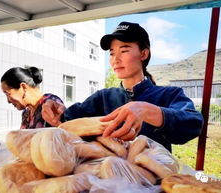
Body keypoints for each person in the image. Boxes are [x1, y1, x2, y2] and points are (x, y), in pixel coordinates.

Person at [42, 22, 203, 151]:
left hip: (153, 185)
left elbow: (193, 123)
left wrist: (146, 110)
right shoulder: (103, 97)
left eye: (124, 50)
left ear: (143, 54)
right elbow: (66, 121)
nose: (114, 60)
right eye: (112, 53)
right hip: (107, 183)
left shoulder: (168, 94)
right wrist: (55, 110)